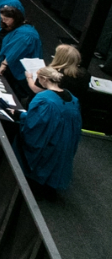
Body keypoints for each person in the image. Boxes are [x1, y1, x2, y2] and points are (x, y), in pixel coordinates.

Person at [13, 67, 82, 197]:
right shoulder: (72, 98)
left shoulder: (45, 99)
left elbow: (36, 123)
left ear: (44, 79)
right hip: (67, 138)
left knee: (42, 158)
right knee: (58, 162)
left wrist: (19, 115)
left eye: (39, 79)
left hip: (51, 138)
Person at [0, 5, 43, 101]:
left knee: (14, 93)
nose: (3, 21)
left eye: (6, 19)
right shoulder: (19, 27)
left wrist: (4, 65)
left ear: (15, 19)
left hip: (20, 68)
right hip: (16, 65)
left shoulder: (26, 34)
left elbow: (15, 51)